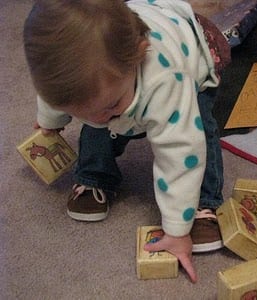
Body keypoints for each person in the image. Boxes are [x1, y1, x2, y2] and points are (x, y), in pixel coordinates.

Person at [23, 0, 230, 283]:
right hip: (121, 66)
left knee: (198, 134)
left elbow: (181, 153)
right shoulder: (69, 75)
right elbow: (53, 92)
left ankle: (202, 203)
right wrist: (50, 120)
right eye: (82, 112)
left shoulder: (165, 79)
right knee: (97, 125)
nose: (102, 118)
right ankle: (95, 177)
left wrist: (177, 230)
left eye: (111, 106)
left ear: (138, 56)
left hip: (191, 56)